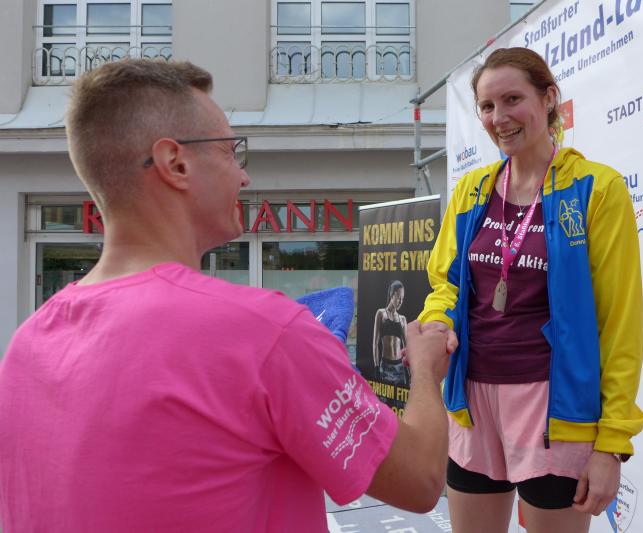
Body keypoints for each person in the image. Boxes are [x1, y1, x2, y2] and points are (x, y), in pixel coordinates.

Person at [0, 59, 452, 532]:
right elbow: (420, 480)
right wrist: (424, 368)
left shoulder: (28, 345)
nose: (243, 176)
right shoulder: (264, 333)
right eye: (231, 152)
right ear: (175, 164)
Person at [419, 47, 643, 533]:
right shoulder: (472, 190)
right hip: (471, 405)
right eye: (486, 106)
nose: (498, 117)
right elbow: (446, 283)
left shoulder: (596, 189)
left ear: (548, 99)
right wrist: (438, 321)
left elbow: (619, 324)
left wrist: (611, 444)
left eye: (512, 100)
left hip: (554, 411)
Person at [373, 280, 408, 385]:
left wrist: (410, 372)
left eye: (402, 298)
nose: (400, 301)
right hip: (385, 366)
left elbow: (406, 348)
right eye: (398, 297)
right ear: (392, 295)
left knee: (400, 395)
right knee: (384, 395)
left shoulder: (402, 319)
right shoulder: (381, 314)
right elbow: (375, 343)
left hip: (400, 367)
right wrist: (376, 367)